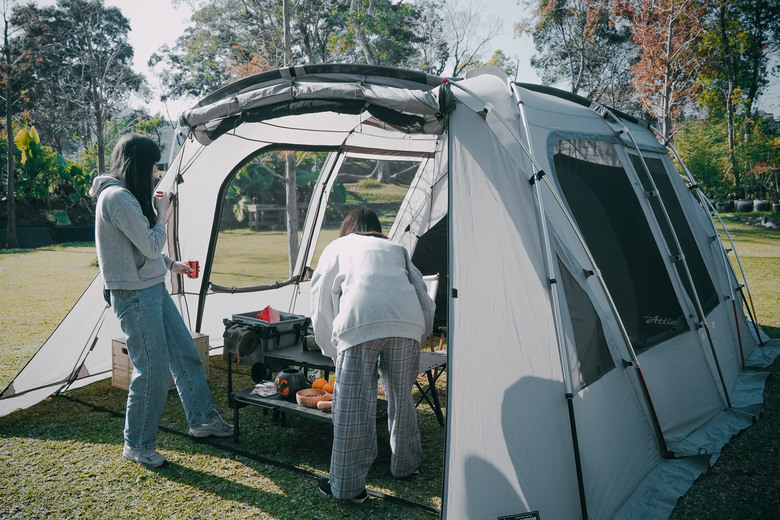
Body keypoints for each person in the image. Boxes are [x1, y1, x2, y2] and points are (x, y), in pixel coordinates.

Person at [89, 133, 232, 468]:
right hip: (135, 295)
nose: (155, 172)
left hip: (151, 287)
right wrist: (162, 215)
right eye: (152, 165)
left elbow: (138, 247)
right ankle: (137, 444)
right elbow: (152, 244)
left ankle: (202, 420)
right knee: (151, 371)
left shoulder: (124, 197)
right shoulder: (117, 199)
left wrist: (171, 265)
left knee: (184, 352)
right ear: (138, 164)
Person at [310, 208, 435, 503]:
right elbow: (423, 296)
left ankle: (348, 488)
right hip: (407, 323)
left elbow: (319, 301)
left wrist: (332, 349)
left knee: (353, 408)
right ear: (378, 229)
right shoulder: (396, 249)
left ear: (348, 227)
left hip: (359, 323)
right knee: (401, 399)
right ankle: (406, 467)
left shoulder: (337, 247)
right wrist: (419, 332)